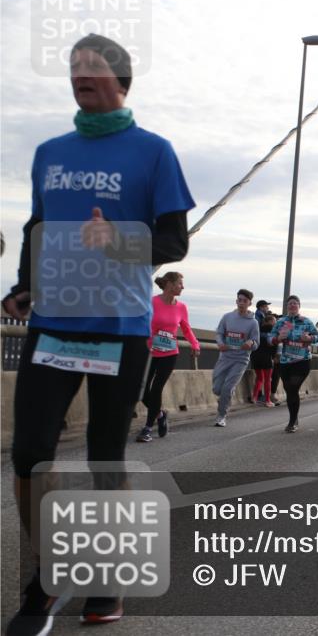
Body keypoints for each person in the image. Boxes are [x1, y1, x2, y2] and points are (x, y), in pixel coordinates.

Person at [3, 33, 195, 631]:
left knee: (104, 457)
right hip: (53, 325)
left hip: (119, 328)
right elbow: (37, 225)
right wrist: (23, 285)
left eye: (93, 66)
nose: (80, 74)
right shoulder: (49, 153)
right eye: (73, 66)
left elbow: (175, 242)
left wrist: (119, 240)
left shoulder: (153, 152)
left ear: (121, 79)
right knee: (30, 453)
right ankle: (49, 573)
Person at [136, 272, 201, 442]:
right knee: (141, 390)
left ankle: (147, 428)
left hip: (169, 353)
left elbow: (186, 328)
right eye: (180, 283)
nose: (182, 287)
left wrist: (195, 344)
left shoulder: (181, 307)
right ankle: (160, 414)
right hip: (149, 352)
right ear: (170, 284)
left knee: (156, 389)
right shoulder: (152, 302)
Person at [269, 295, 318, 433]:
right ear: (287, 307)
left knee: (293, 387)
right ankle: (294, 419)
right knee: (289, 390)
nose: (292, 305)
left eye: (295, 303)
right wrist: (277, 338)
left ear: (299, 306)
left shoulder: (306, 321)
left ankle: (292, 421)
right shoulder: (281, 322)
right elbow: (269, 337)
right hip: (285, 362)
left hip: (302, 361)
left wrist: (309, 338)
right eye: (290, 303)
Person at [212, 289, 260, 427]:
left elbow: (256, 343)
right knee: (217, 389)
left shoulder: (253, 323)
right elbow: (219, 333)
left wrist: (250, 343)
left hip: (241, 359)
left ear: (249, 303)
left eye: (245, 301)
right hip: (225, 357)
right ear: (236, 301)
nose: (242, 303)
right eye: (240, 300)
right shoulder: (227, 317)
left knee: (227, 388)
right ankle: (226, 397)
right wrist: (221, 344)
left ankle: (221, 416)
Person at [250, 313, 278, 407]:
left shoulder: (257, 330)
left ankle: (254, 397)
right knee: (267, 380)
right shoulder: (273, 331)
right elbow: (274, 345)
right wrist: (274, 357)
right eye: (274, 321)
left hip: (255, 356)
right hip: (267, 358)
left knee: (259, 378)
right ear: (269, 321)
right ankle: (267, 400)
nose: (275, 323)